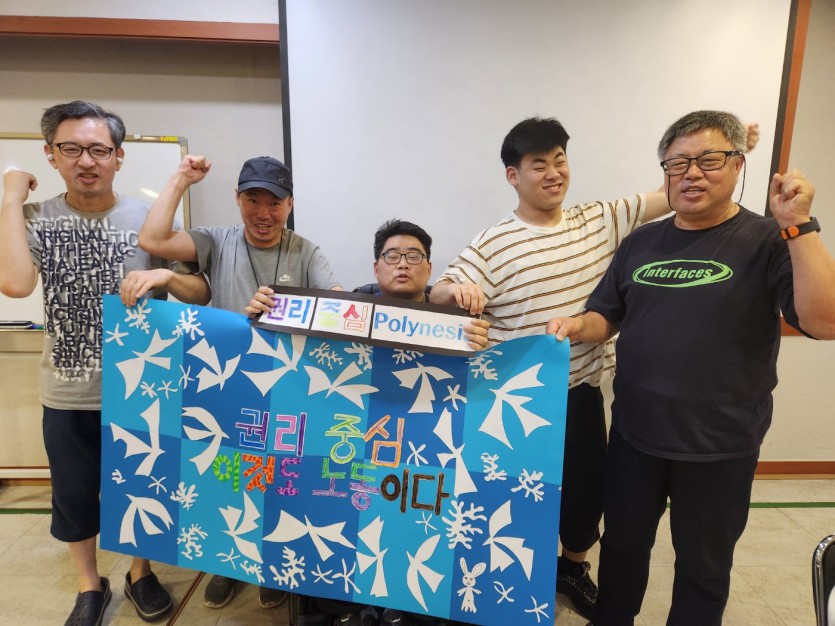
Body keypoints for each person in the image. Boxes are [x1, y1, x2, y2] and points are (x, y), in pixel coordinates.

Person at [547, 110, 835, 625]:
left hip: (719, 445)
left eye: (708, 160)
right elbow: (606, 315)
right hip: (634, 437)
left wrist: (799, 225)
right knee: (621, 551)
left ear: (738, 165)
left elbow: (824, 321)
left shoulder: (769, 239)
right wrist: (575, 325)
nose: (691, 174)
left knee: (703, 568)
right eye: (677, 163)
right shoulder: (641, 242)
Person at [428, 116, 678, 620]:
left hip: (580, 390)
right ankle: (515, 579)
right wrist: (459, 291)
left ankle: (572, 568)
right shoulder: (494, 241)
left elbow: (666, 197)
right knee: (515, 497)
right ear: (512, 175)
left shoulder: (598, 219)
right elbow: (439, 292)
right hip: (513, 400)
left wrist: (718, 153)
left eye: (560, 161)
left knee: (586, 495)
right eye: (538, 164)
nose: (553, 173)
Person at [0, 101, 208, 626]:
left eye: (98, 149)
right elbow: (16, 284)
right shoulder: (35, 217)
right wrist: (10, 199)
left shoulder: (146, 220)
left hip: (142, 386)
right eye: (71, 149)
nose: (86, 161)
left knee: (143, 487)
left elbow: (199, 291)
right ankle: (89, 585)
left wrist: (166, 277)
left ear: (118, 156)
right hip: (66, 387)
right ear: (51, 155)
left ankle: (140, 573)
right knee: (73, 495)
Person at [246, 218, 487, 626]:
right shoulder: (341, 313)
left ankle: (402, 607)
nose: (403, 263)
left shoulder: (453, 323)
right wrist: (261, 314)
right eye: (392, 255)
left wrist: (480, 347)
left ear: (430, 268)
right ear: (376, 268)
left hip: (418, 462)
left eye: (414, 256)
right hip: (351, 451)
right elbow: (293, 360)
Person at [138, 153, 343, 612]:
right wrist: (181, 178)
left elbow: (336, 304)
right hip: (226, 387)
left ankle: (272, 565)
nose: (263, 213)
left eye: (275, 203)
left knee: (279, 481)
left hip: (288, 390)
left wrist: (295, 308)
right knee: (227, 479)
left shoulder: (306, 251)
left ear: (290, 205)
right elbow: (152, 239)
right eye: (253, 200)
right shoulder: (216, 240)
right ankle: (226, 564)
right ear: (238, 200)